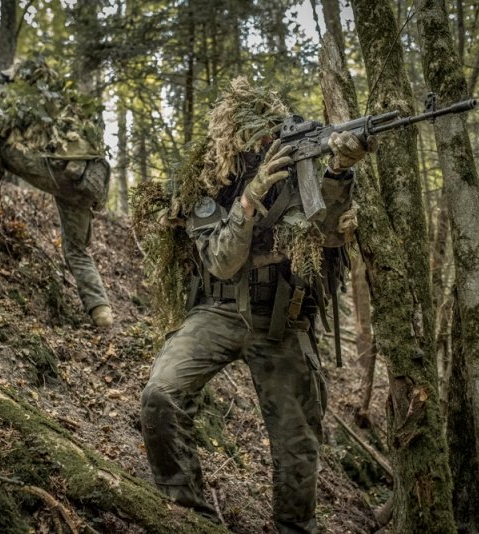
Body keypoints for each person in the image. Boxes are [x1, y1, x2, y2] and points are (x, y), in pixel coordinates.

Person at [138, 78, 374, 533]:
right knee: (160, 394)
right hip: (220, 309)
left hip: (283, 316)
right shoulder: (208, 182)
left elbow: (323, 227)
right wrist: (251, 196)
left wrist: (341, 169)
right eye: (253, 137)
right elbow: (222, 263)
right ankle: (189, 515)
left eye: (271, 132)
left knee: (297, 440)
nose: (264, 144)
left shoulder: (300, 167)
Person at [0, 58, 114, 328]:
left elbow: (4, 117)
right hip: (87, 182)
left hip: (60, 171)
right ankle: (101, 311)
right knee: (77, 249)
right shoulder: (72, 109)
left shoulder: (40, 99)